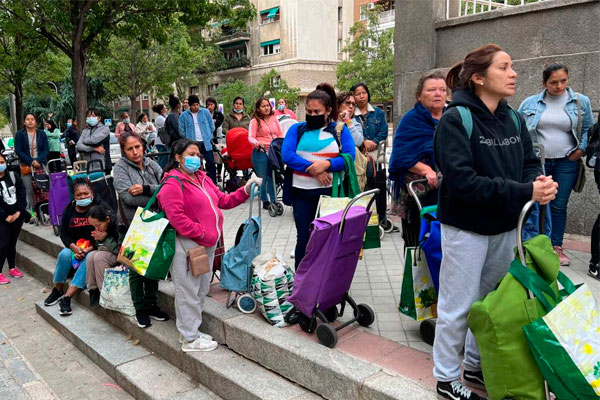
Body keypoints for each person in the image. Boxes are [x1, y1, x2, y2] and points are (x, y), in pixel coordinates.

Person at [432, 44, 557, 400]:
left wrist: (540, 184)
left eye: (512, 66)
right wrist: (524, 190)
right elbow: (462, 182)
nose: (514, 73)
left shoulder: (513, 117)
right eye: (504, 67)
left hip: (505, 227)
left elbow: (530, 161)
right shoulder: (456, 120)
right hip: (466, 228)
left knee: (489, 303)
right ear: (479, 77)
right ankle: (445, 377)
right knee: (457, 307)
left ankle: (474, 365)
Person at [157, 139, 261, 352]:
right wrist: (202, 233)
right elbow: (177, 218)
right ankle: (190, 339)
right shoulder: (172, 184)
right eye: (191, 154)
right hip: (189, 247)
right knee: (188, 292)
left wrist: (246, 190)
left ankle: (191, 331)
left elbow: (223, 200)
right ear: (178, 157)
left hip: (206, 245)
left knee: (200, 289)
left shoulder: (201, 178)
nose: (196, 158)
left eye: (198, 155)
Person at [518, 62, 594, 266]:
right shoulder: (529, 104)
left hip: (566, 162)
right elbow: (519, 130)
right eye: (553, 82)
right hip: (537, 161)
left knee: (559, 205)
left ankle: (556, 245)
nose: (559, 86)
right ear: (544, 83)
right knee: (538, 203)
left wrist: (580, 150)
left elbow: (588, 129)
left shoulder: (580, 101)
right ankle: (535, 243)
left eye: (563, 81)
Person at [282, 83, 356, 269]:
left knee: (329, 237)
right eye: (309, 111)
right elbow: (287, 155)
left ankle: (327, 279)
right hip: (301, 193)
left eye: (317, 111)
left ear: (328, 110)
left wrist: (327, 164)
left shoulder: (339, 130)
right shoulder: (297, 130)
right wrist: (313, 169)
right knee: (303, 238)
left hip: (330, 194)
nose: (312, 115)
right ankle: (302, 282)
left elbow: (349, 157)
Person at [113, 131, 168, 328]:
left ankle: (152, 304)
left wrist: (145, 189)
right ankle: (140, 308)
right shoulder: (119, 169)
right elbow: (128, 199)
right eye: (130, 149)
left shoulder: (152, 164)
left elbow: (166, 187)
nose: (135, 152)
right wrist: (155, 192)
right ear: (124, 150)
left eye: (137, 147)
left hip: (154, 223)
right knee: (136, 269)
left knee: (153, 267)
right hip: (131, 225)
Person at [389, 72, 447, 247]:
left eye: (442, 90)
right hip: (420, 194)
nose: (438, 93)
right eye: (431, 90)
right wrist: (426, 170)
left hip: (450, 192)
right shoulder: (411, 120)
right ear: (419, 96)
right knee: (418, 244)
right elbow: (400, 156)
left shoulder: (452, 117)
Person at [43, 178, 109, 316]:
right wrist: (73, 248)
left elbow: (105, 232)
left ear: (92, 192)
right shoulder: (70, 208)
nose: (83, 197)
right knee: (64, 254)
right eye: (79, 195)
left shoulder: (100, 207)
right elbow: (63, 232)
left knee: (90, 258)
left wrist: (88, 249)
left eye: (86, 193)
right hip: (75, 248)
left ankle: (67, 297)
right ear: (74, 195)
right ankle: (58, 289)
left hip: (94, 248)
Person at [249, 97, 284, 208]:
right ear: (258, 109)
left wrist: (280, 142)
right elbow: (250, 137)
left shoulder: (274, 119)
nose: (266, 108)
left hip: (273, 152)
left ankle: (274, 201)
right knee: (264, 177)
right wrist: (258, 143)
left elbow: (280, 134)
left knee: (272, 176)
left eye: (267, 105)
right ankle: (265, 200)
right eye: (263, 106)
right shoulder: (254, 121)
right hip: (260, 152)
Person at [0, 152, 27, 285]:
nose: (0, 165)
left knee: (12, 243)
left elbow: (22, 194)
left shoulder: (13, 176)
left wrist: (18, 212)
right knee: (3, 243)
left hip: (17, 216)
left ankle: (12, 268)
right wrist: (5, 216)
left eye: (1, 162)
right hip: (2, 218)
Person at [85, 205, 120, 306]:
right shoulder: (101, 227)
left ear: (107, 219)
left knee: (99, 257)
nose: (96, 228)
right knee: (91, 256)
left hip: (121, 256)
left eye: (98, 225)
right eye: (94, 226)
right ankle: (93, 290)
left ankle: (105, 292)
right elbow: (98, 246)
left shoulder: (118, 225)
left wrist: (105, 238)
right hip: (108, 252)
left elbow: (121, 250)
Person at [14, 113, 49, 213]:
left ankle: (44, 211)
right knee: (29, 189)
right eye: (27, 119)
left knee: (43, 189)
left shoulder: (41, 133)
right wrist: (31, 161)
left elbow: (46, 149)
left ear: (35, 121)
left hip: (41, 165)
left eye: (32, 119)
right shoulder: (20, 134)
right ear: (24, 122)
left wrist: (38, 160)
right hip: (26, 166)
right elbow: (18, 150)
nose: (30, 121)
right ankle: (32, 212)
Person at [178, 95, 217, 184]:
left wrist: (207, 135)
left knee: (210, 163)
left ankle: (212, 183)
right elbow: (181, 131)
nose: (195, 107)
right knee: (195, 165)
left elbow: (212, 126)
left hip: (206, 142)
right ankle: (198, 184)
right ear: (189, 105)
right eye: (193, 105)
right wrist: (188, 139)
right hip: (193, 144)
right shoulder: (183, 116)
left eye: (197, 104)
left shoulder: (205, 112)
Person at [351, 82, 388, 152]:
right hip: (358, 152)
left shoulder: (378, 112)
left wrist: (374, 142)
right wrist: (364, 143)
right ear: (353, 97)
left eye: (364, 93)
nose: (362, 96)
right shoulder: (351, 115)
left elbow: (383, 131)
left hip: (376, 150)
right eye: (358, 94)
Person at [77, 108, 112, 174]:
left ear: (99, 118)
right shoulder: (85, 131)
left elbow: (94, 141)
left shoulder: (105, 129)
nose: (91, 118)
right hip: (89, 167)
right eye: (89, 116)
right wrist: (94, 149)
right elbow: (78, 146)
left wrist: (84, 141)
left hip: (102, 166)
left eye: (93, 116)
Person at [152, 103, 169, 168]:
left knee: (165, 160)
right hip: (161, 142)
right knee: (163, 160)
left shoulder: (163, 117)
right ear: (162, 110)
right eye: (165, 108)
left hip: (164, 142)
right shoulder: (159, 118)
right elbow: (167, 123)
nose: (166, 110)